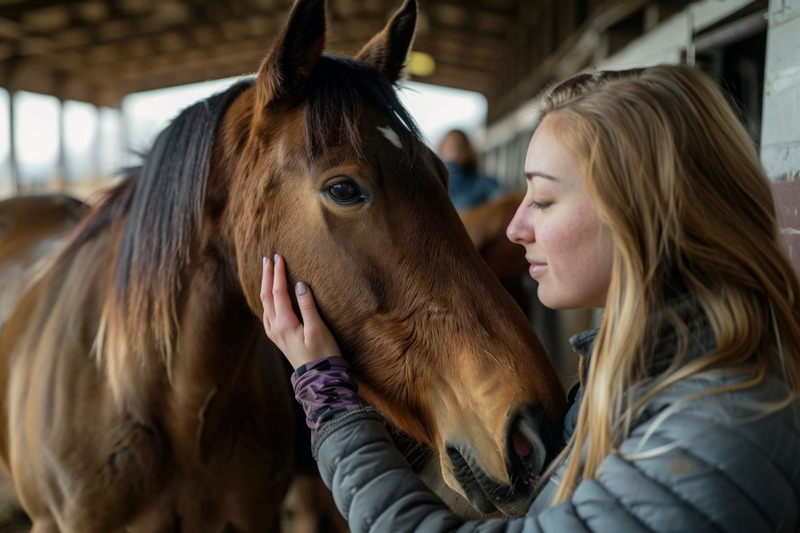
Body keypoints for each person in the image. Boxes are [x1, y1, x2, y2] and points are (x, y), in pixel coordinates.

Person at [260, 64, 800, 531]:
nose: (514, 227)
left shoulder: (709, 428)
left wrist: (328, 399)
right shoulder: (642, 371)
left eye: (541, 199)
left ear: (638, 212)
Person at [437, 128, 503, 210]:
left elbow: (502, 207)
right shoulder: (438, 189)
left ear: (468, 151)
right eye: (448, 148)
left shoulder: (485, 183)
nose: (454, 153)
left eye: (458, 147)